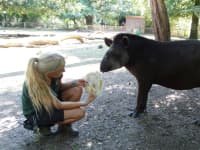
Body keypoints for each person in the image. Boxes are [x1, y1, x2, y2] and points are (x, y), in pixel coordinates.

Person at [21, 52, 96, 136]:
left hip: (50, 104)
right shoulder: (36, 84)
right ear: (50, 72)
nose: (64, 70)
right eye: (61, 68)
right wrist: (85, 102)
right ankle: (43, 126)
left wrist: (75, 83)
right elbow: (58, 105)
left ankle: (64, 127)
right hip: (37, 114)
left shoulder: (55, 75)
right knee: (80, 113)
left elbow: (59, 87)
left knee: (76, 90)